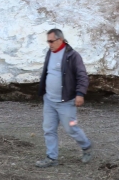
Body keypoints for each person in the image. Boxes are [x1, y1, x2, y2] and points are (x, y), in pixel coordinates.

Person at [35, 28, 92, 167]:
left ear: (60, 40)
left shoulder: (72, 56)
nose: (49, 44)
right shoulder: (50, 52)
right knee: (48, 129)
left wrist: (80, 94)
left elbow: (82, 76)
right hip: (49, 100)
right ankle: (51, 158)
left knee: (71, 127)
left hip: (66, 102)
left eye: (51, 41)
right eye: (48, 41)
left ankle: (86, 146)